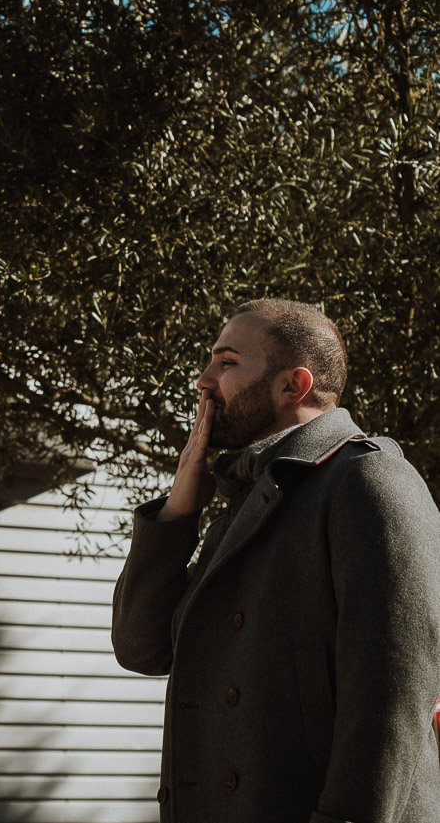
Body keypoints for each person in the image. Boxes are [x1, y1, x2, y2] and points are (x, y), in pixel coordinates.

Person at [112, 298, 440, 822]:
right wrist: (178, 510)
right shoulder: (252, 495)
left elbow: (392, 694)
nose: (204, 379)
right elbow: (140, 647)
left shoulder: (370, 481)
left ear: (294, 385)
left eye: (227, 362)